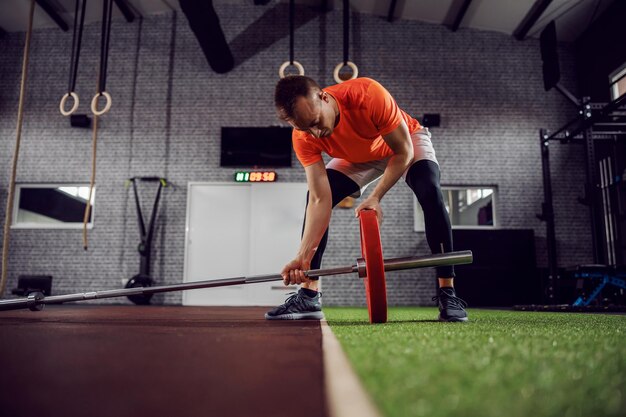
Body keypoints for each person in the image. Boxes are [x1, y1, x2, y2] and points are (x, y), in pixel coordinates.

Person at [265, 75, 468, 322]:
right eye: (304, 127)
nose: (315, 133)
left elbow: (404, 152)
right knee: (314, 196)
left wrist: (375, 196)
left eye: (316, 122)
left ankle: (448, 291)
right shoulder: (304, 137)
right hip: (355, 157)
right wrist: (303, 256)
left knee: (430, 190)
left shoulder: (368, 94)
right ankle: (309, 294)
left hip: (402, 142)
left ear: (324, 97)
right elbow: (320, 199)